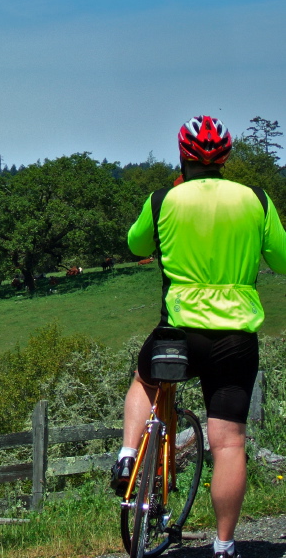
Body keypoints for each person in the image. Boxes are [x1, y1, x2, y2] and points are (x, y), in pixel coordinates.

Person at [112, 115, 286, 558]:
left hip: (180, 330)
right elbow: (283, 260)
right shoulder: (256, 199)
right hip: (234, 336)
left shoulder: (163, 199)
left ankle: (129, 456)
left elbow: (136, 246)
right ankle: (224, 546)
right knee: (229, 443)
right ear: (226, 157)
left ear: (183, 155)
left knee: (144, 382)